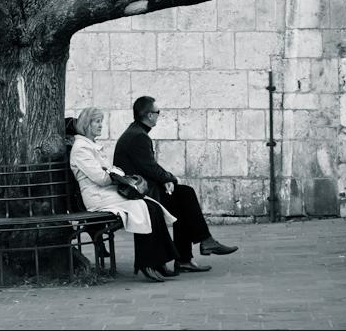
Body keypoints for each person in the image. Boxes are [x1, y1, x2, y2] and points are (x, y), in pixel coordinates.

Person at [113, 96, 239, 274]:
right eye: (158, 112)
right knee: (184, 196)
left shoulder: (135, 132)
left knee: (184, 196)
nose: (159, 115)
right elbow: (150, 168)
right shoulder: (138, 137)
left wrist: (166, 180)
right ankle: (199, 246)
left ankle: (193, 253)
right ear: (149, 115)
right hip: (139, 194)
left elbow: (148, 167)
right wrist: (170, 179)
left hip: (143, 189)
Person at [69, 107, 180, 282]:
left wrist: (115, 173)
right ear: (86, 124)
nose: (100, 125)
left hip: (107, 193)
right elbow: (101, 178)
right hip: (97, 197)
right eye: (97, 122)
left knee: (153, 207)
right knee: (144, 207)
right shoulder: (81, 149)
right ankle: (147, 263)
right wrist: (116, 175)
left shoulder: (91, 146)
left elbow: (109, 171)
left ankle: (159, 262)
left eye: (101, 122)